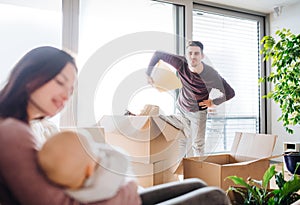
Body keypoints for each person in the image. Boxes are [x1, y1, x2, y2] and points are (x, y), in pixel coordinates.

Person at [0, 46, 141, 205]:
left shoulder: (20, 128)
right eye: (60, 82)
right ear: (29, 77)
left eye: (71, 91)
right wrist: (129, 189)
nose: (66, 96)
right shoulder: (12, 132)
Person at [146, 41, 235, 157]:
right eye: (190, 53)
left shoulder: (211, 75)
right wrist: (148, 74)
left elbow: (230, 92)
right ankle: (183, 173)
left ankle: (199, 172)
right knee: (181, 142)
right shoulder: (180, 63)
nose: (193, 57)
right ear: (186, 55)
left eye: (196, 53)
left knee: (198, 145)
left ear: (202, 56)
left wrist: (213, 102)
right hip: (181, 108)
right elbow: (158, 54)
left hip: (198, 113)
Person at [38, 130, 130, 203]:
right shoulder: (109, 175)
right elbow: (122, 157)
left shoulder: (75, 195)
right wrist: (98, 150)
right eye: (93, 150)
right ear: (89, 170)